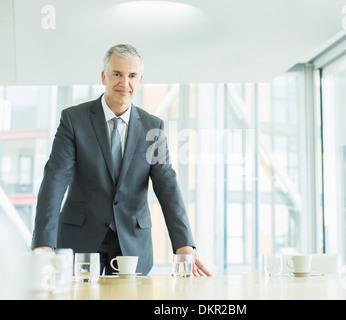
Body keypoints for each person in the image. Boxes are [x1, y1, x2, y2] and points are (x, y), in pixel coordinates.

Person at [31, 44, 211, 277]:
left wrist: (184, 244)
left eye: (132, 76)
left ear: (140, 79)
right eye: (117, 74)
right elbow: (55, 180)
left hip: (132, 243)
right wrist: (43, 242)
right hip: (80, 242)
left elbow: (167, 185)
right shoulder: (74, 120)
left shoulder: (152, 127)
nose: (124, 83)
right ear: (104, 76)